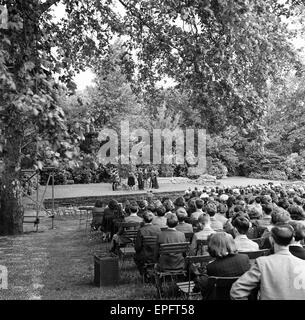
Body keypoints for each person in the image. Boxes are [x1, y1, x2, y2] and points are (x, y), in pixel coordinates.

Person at [230, 224, 305, 300]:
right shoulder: (303, 264)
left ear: (271, 239)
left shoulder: (263, 263)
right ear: (292, 240)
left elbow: (237, 290)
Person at [195, 232, 251, 299]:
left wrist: (197, 273)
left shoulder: (212, 267)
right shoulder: (244, 258)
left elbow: (206, 288)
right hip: (244, 296)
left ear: (214, 247)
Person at [134, 211, 162, 276]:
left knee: (136, 256)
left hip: (145, 256)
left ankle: (144, 274)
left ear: (143, 219)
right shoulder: (158, 228)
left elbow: (137, 247)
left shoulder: (141, 230)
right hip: (157, 255)